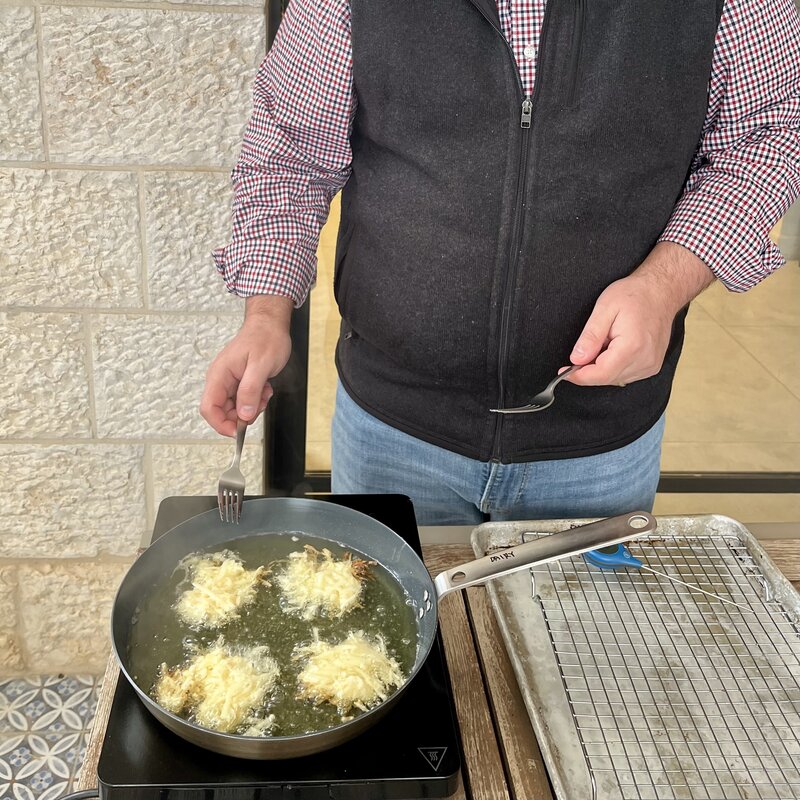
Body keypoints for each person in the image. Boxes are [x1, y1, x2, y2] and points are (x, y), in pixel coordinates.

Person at [201, 0, 800, 525]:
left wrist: (663, 286)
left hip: (598, 444)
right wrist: (266, 315)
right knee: (394, 647)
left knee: (574, 649)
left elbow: (768, 137)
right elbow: (289, 152)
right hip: (392, 428)